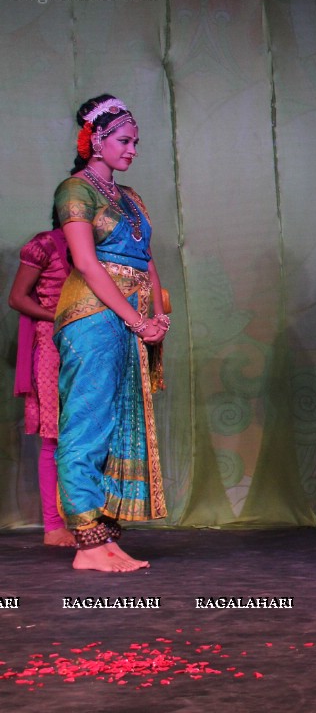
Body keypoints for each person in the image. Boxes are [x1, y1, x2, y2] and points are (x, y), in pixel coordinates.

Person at [53, 94, 168, 571]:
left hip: (129, 317)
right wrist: (137, 318)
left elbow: (147, 258)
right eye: (124, 140)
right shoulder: (74, 190)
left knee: (118, 424)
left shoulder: (131, 197)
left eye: (136, 142)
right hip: (94, 317)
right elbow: (85, 262)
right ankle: (87, 541)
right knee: (87, 425)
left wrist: (158, 315)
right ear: (95, 140)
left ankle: (105, 535)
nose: (133, 149)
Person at [9, 211, 75, 547]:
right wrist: (62, 316)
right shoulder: (44, 246)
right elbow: (17, 298)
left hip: (92, 344)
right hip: (52, 344)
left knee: (91, 434)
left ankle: (88, 520)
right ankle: (53, 526)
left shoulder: (102, 247)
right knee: (54, 438)